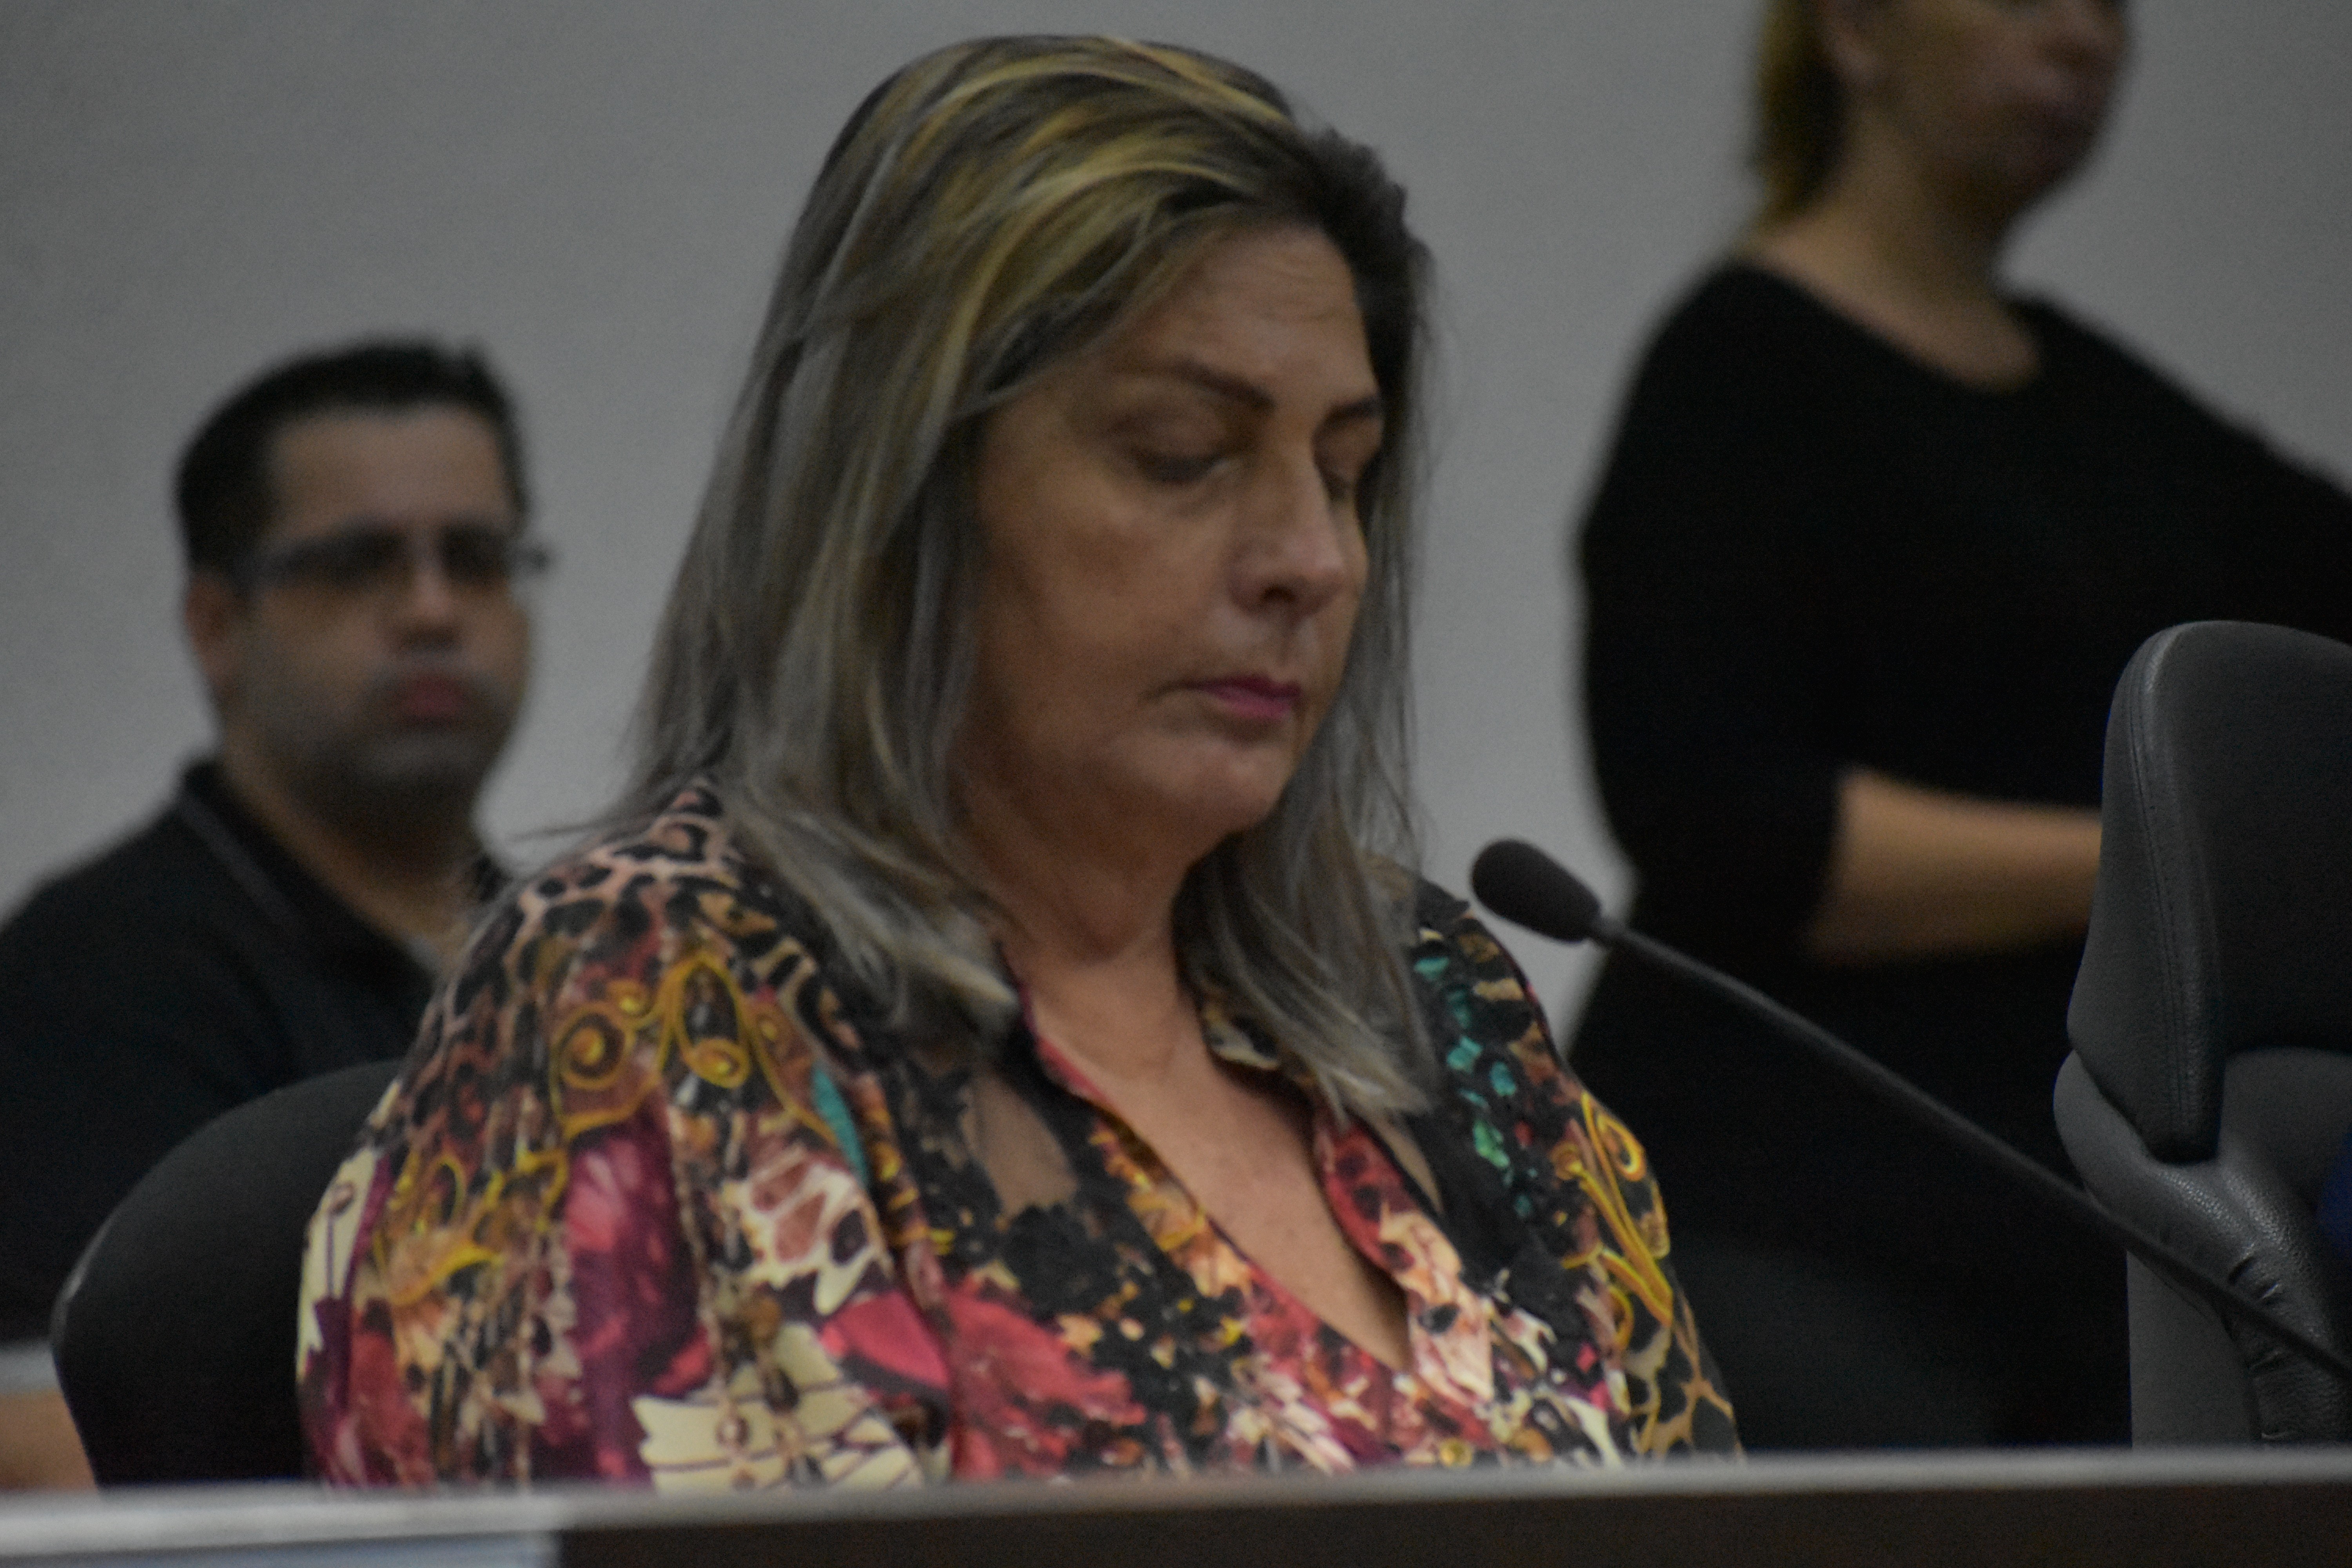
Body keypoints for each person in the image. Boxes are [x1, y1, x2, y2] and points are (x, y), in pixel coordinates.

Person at [297, 37, 1738, 1488]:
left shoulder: (1425, 993)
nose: (1310, 559)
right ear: (902, 494)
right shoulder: (654, 1004)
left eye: (1343, 475)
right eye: (1183, 454)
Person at [1570, 0, 2352, 1448]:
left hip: (2070, 1230)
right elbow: (1741, 830)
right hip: (1795, 1226)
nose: (2083, 41)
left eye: (2107, 5)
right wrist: (2146, 873)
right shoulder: (1736, 372)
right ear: (1855, 33)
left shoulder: (2103, 410)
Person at [0, 340, 541, 1487]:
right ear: (216, 625)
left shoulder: (574, 955)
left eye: (476, 558)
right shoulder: (98, 982)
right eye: (358, 564)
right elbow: (53, 1449)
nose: (433, 611)